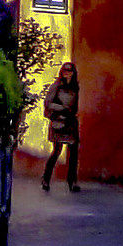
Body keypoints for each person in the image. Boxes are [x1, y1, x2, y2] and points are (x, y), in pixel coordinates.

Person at [40, 62, 82, 193]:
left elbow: (75, 105)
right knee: (56, 152)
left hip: (70, 122)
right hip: (58, 122)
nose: (67, 74)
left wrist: (72, 112)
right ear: (61, 72)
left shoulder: (75, 87)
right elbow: (48, 103)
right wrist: (62, 108)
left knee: (73, 153)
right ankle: (46, 179)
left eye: (70, 72)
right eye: (65, 71)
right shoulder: (57, 86)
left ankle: (72, 182)